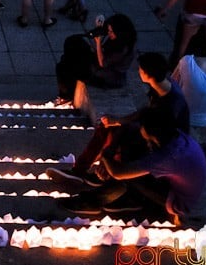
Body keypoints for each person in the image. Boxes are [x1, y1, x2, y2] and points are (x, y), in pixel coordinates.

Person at [49, 52, 190, 196]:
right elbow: (145, 111)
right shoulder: (160, 86)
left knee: (120, 137)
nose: (138, 71)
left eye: (140, 69)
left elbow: (160, 134)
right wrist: (117, 120)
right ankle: (80, 171)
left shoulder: (172, 104)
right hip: (151, 129)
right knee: (107, 127)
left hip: (165, 144)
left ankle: (107, 176)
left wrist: (121, 130)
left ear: (148, 74)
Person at [55, 13, 138, 105]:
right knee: (72, 41)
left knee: (63, 67)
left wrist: (98, 42)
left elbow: (103, 63)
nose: (109, 34)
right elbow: (102, 50)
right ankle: (69, 63)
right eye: (109, 31)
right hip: (97, 63)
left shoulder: (123, 49)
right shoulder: (117, 39)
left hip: (105, 75)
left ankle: (66, 95)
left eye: (111, 32)